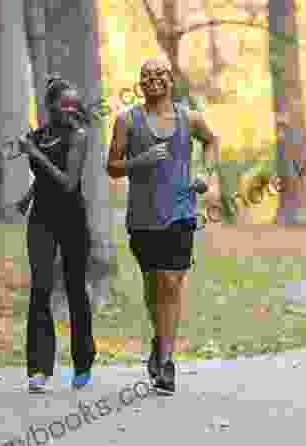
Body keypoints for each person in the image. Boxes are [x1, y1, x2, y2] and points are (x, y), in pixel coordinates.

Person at [106, 57, 221, 395]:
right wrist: (138, 162)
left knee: (171, 283)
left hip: (181, 213)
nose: (153, 79)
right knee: (153, 286)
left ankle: (167, 361)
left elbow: (212, 142)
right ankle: (159, 340)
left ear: (171, 80)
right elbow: (111, 166)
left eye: (160, 74)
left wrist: (205, 173)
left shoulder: (190, 118)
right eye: (146, 75)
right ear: (140, 84)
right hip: (143, 218)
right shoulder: (127, 121)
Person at [17, 75, 96, 392]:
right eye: (64, 103)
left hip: (72, 219)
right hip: (41, 220)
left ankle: (82, 361)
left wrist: (34, 156)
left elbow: (68, 182)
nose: (70, 108)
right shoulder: (37, 136)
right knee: (40, 288)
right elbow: (47, 178)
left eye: (73, 103)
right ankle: (39, 368)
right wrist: (28, 196)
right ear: (49, 106)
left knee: (75, 289)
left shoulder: (79, 135)